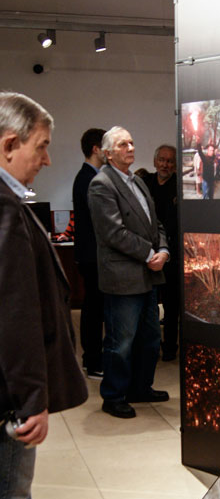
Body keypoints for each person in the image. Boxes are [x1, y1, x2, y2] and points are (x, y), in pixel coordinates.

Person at [0, 91, 88, 499]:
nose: (48, 159)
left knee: (17, 479)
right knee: (8, 487)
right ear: (9, 145)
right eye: (41, 147)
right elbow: (14, 315)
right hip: (11, 389)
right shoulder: (4, 209)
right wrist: (32, 398)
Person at [88, 127, 170, 419]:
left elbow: (155, 223)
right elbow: (113, 233)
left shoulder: (138, 182)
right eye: (123, 144)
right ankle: (114, 396)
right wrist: (149, 254)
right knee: (120, 342)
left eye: (132, 143)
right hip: (123, 278)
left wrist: (164, 250)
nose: (131, 148)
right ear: (108, 153)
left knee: (150, 339)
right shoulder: (101, 184)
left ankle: (140, 388)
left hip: (148, 275)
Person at [72, 128, 105, 378]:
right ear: (96, 148)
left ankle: (91, 358)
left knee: (94, 307)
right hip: (92, 255)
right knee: (93, 309)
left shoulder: (90, 176)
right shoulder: (88, 178)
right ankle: (92, 361)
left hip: (91, 254)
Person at [143, 144, 179, 361]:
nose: (165, 164)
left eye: (170, 161)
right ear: (155, 161)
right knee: (149, 304)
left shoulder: (179, 187)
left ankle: (170, 348)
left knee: (171, 305)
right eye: (162, 160)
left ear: (175, 165)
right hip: (148, 253)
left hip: (173, 255)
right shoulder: (145, 184)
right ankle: (150, 347)